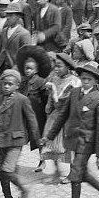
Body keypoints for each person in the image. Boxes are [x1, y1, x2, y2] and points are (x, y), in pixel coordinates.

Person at [41, 61, 99, 198]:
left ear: (95, 81)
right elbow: (62, 116)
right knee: (81, 173)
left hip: (87, 143)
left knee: (75, 175)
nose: (85, 81)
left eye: (89, 79)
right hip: (72, 139)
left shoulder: (98, 99)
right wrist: (49, 137)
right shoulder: (73, 93)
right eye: (83, 78)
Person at [0, 68, 41, 198]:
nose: (6, 86)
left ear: (17, 85)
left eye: (10, 84)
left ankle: (23, 188)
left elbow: (32, 120)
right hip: (2, 140)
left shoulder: (22, 100)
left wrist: (37, 141)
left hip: (16, 141)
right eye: (4, 83)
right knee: (1, 171)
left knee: (7, 169)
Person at [41, 53, 80, 184]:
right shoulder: (54, 78)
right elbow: (51, 99)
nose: (56, 69)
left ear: (68, 67)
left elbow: (68, 102)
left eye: (59, 66)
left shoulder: (74, 81)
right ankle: (58, 171)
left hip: (68, 117)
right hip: (55, 116)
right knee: (52, 145)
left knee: (65, 146)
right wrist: (48, 106)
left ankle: (70, 173)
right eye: (55, 66)